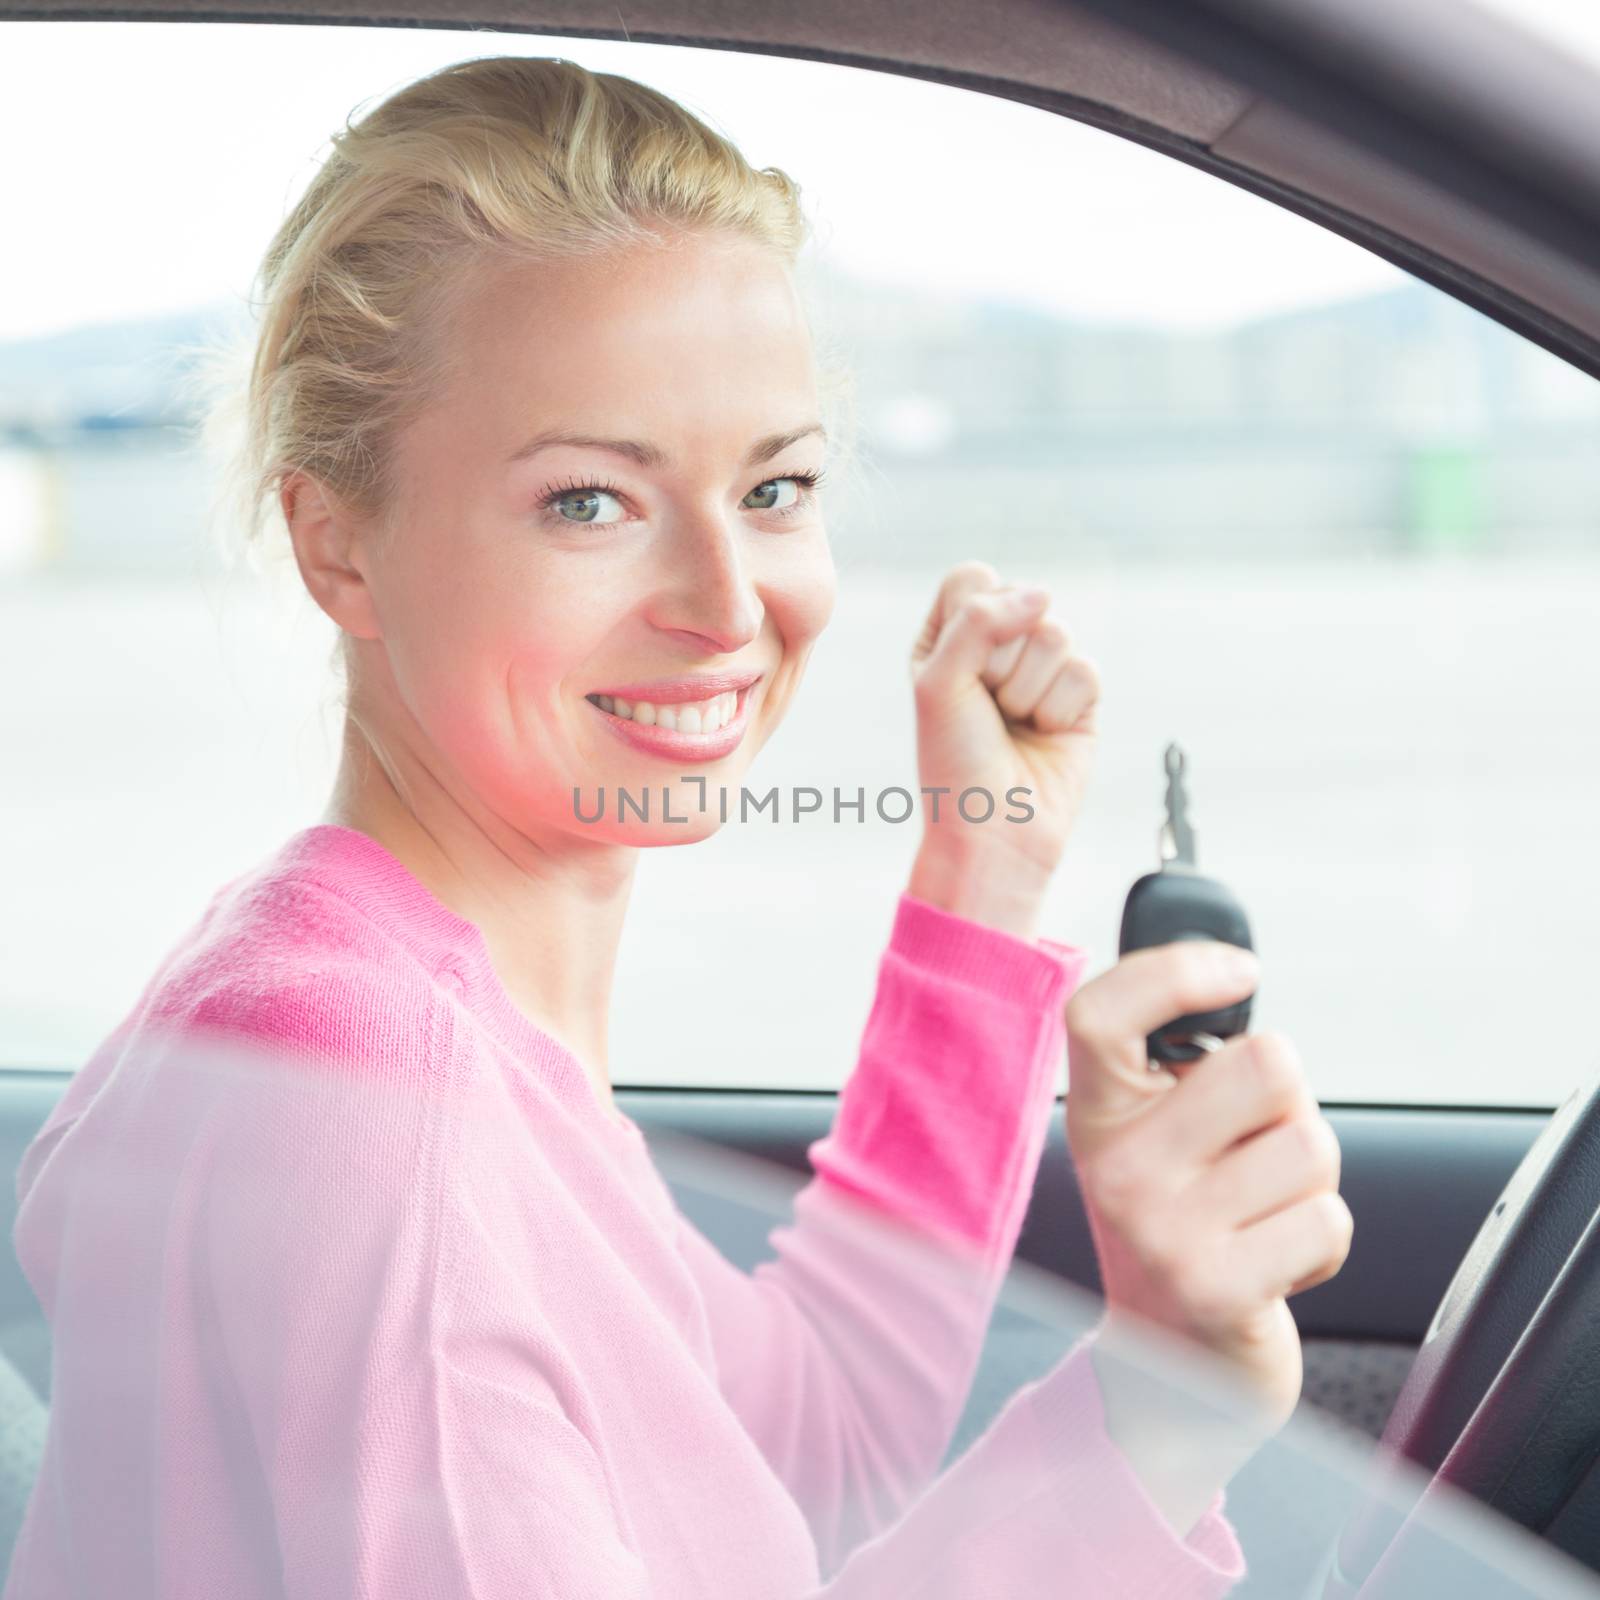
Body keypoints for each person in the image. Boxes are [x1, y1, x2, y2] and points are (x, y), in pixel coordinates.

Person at [4, 55, 1351, 1598]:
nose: (727, 607)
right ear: (339, 547)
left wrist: (985, 871)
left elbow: (809, 1458)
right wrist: (1155, 1418)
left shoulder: (413, 1015)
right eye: (591, 501)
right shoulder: (373, 1098)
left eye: (773, 489)